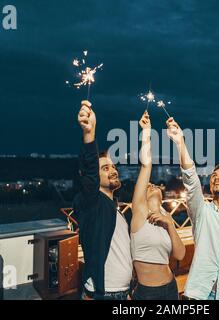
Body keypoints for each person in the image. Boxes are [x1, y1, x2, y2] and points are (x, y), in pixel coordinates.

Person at [166, 117, 219, 300]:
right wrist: (180, 142)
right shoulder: (201, 211)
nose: (216, 178)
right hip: (197, 293)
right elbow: (191, 180)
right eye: (213, 176)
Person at [74, 100, 133, 300]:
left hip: (122, 293)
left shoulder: (115, 210)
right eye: (105, 168)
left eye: (113, 166)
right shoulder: (92, 203)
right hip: (103, 295)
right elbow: (89, 173)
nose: (113, 170)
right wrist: (89, 134)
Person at [130, 111, 186, 300]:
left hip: (171, 287)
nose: (152, 185)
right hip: (147, 293)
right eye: (148, 186)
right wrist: (146, 132)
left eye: (154, 185)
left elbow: (179, 254)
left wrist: (170, 223)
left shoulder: (165, 216)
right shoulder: (140, 212)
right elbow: (146, 166)